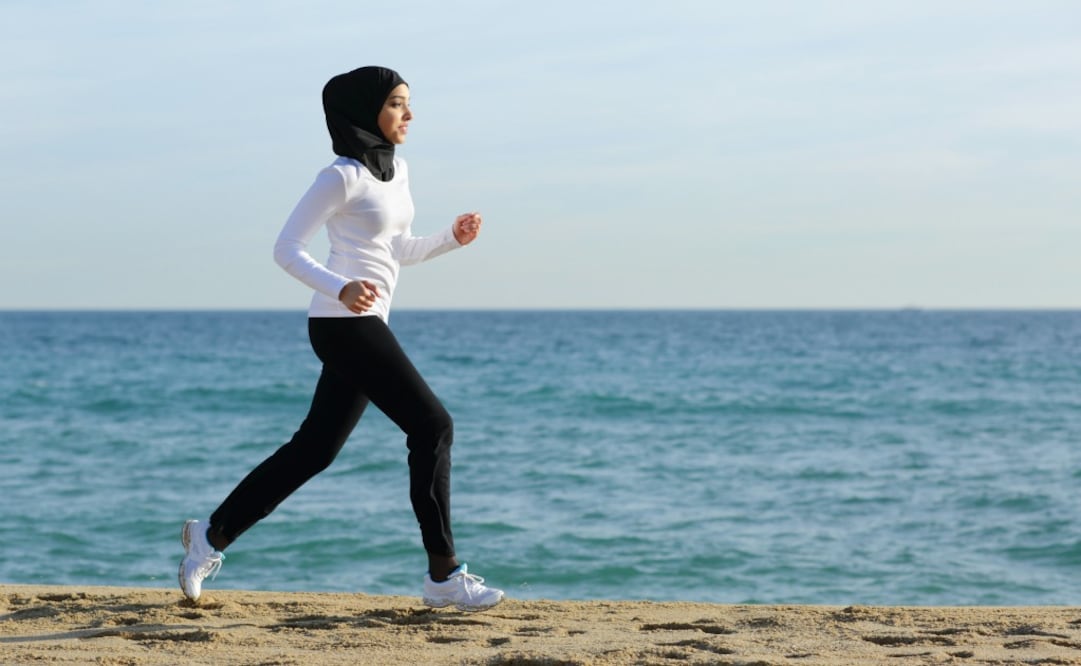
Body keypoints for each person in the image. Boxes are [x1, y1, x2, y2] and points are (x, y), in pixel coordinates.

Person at [178, 66, 503, 612]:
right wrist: (340, 286)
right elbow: (286, 248)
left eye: (408, 102)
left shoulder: (396, 171)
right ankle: (443, 576)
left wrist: (450, 238)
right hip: (341, 322)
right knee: (433, 425)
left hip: (366, 324)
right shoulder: (340, 177)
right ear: (365, 110)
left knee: (315, 450)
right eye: (396, 103)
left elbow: (396, 249)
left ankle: (209, 536)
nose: (408, 114)